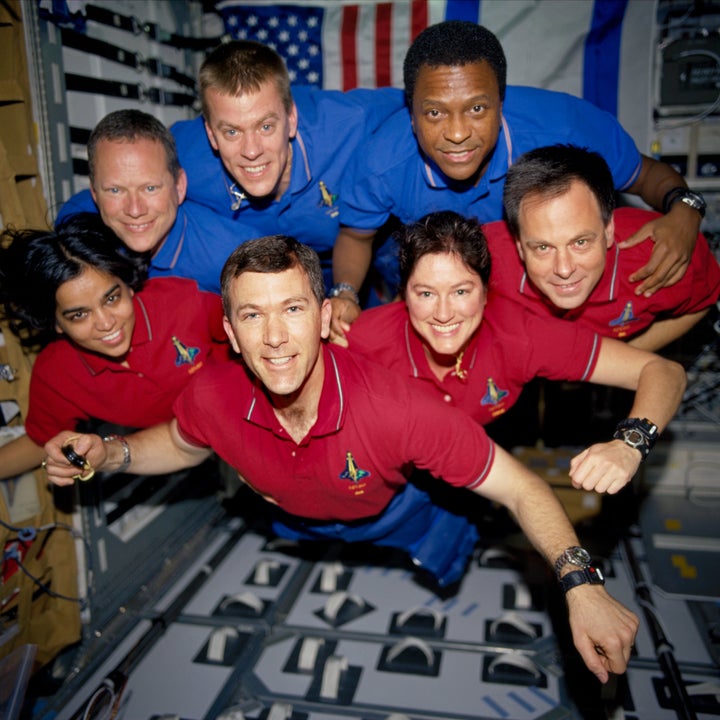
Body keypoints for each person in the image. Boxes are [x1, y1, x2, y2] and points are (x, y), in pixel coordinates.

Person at [43, 235, 639, 684]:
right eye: (252, 315)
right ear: (228, 328)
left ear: (327, 318)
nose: (274, 337)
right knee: (305, 528)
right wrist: (113, 452)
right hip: (295, 519)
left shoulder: (402, 409)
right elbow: (178, 441)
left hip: (405, 513)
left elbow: (521, 489)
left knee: (448, 561)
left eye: (294, 309)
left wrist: (581, 587)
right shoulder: (208, 394)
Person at [330, 20, 705, 342]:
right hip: (447, 286)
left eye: (477, 108)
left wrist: (685, 209)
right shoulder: (382, 162)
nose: (457, 133)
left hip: (538, 287)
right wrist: (346, 292)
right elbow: (355, 236)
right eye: (434, 113)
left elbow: (647, 175)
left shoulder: (567, 128)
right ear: (412, 116)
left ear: (501, 102)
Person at [343, 211, 686, 494]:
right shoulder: (362, 342)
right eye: (426, 294)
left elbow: (662, 372)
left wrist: (630, 444)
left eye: (462, 291)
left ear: (486, 292)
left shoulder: (520, 335)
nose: (444, 314)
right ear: (404, 295)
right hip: (386, 479)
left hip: (475, 474)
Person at [0, 213, 226, 480]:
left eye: (112, 298)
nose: (106, 323)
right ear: (56, 324)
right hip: (181, 449)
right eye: (79, 315)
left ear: (128, 286)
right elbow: (42, 442)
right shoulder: (57, 374)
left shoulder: (183, 302)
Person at [169, 39, 405, 292]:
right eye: (232, 132)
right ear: (211, 134)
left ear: (292, 119)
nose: (251, 151)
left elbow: (425, 101)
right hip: (279, 275)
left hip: (369, 246)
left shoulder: (351, 120)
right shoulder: (179, 154)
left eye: (266, 126)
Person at [492, 144, 720, 352]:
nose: (564, 269)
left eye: (580, 242)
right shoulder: (482, 258)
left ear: (608, 230)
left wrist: (615, 361)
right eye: (543, 247)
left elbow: (705, 298)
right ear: (520, 246)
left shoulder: (659, 254)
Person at [56, 109, 257, 294]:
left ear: (179, 187)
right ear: (94, 193)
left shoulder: (234, 258)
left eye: (150, 188)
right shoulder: (75, 224)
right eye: (115, 190)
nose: (135, 210)